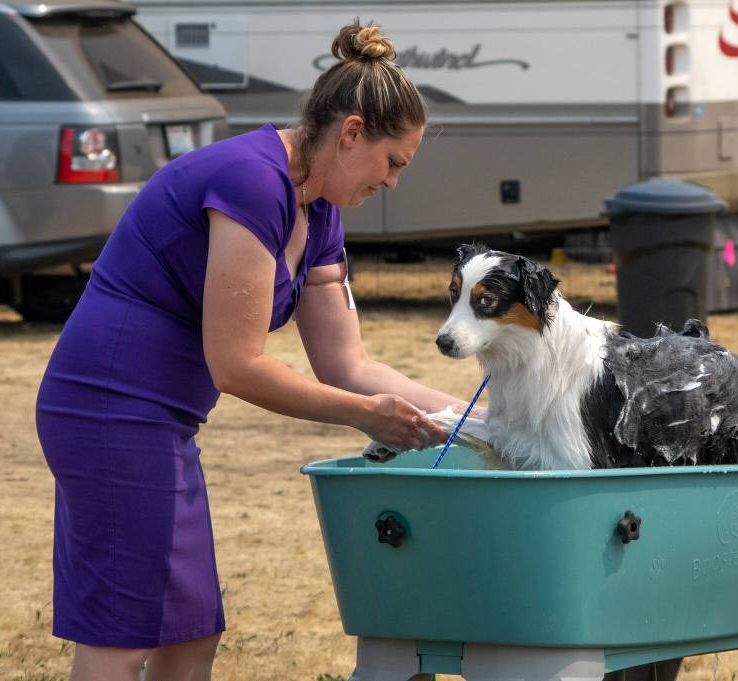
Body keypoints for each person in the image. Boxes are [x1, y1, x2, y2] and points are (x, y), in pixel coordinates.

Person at [35, 19, 464, 681]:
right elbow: (235, 365)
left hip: (162, 424)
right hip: (109, 410)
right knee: (122, 637)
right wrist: (363, 414)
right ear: (351, 134)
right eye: (393, 162)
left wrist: (475, 416)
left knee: (190, 635)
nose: (394, 181)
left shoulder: (320, 215)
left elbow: (349, 365)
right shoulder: (251, 181)